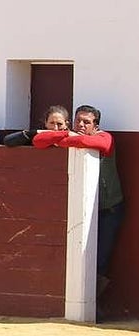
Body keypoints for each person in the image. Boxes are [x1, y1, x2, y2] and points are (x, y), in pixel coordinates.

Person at [32, 105, 124, 292]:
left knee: (100, 258)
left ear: (96, 126)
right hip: (81, 208)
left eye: (86, 122)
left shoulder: (104, 137)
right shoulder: (70, 136)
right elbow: (38, 140)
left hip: (108, 208)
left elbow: (99, 144)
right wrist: (66, 136)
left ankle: (93, 303)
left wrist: (66, 138)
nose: (81, 125)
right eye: (78, 121)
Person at [2, 105, 70, 146]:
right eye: (52, 123)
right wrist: (35, 132)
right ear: (45, 123)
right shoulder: (38, 137)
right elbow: (8, 141)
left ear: (66, 125)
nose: (55, 128)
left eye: (59, 124)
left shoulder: (71, 138)